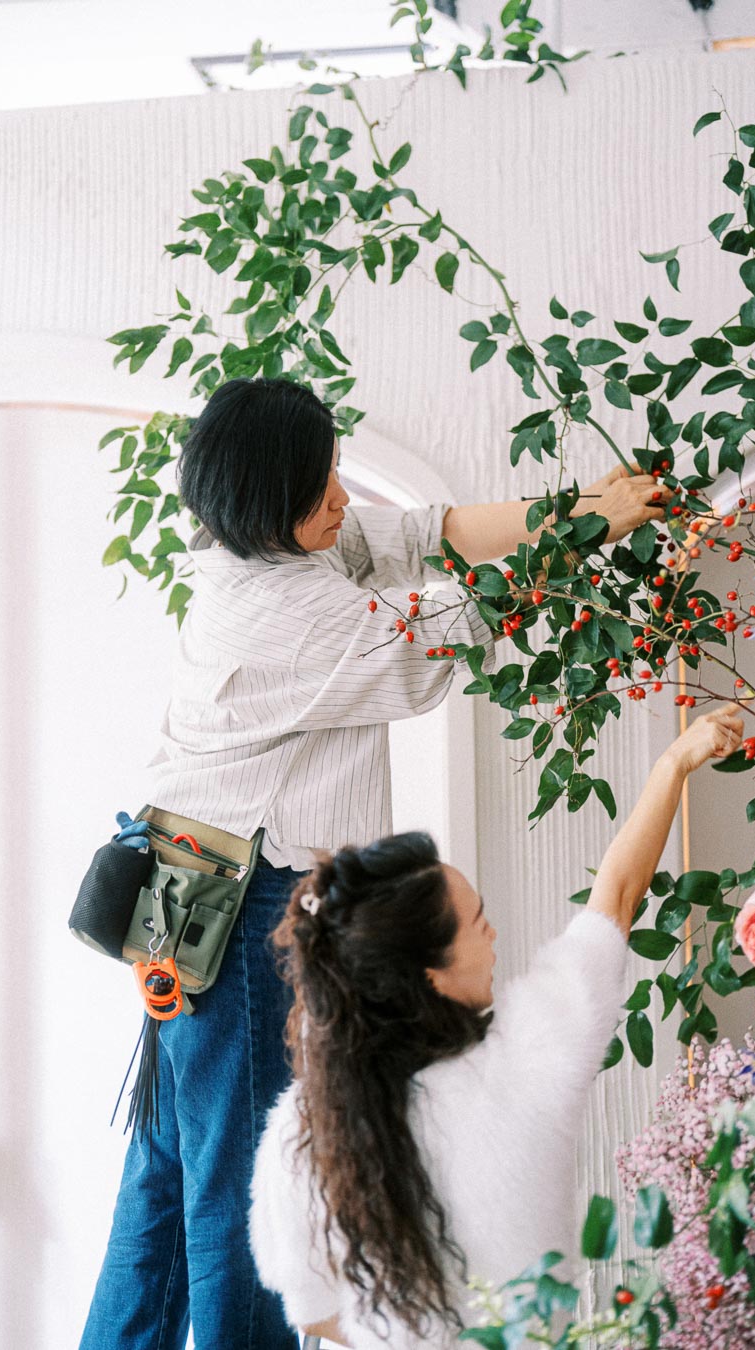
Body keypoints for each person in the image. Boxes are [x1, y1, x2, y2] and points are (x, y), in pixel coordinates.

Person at [79, 376, 668, 1350]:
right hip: (237, 908)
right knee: (239, 1193)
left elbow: (431, 533)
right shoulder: (285, 615)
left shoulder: (269, 549)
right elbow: (444, 619)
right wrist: (589, 537)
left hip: (184, 890)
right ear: (273, 504)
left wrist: (581, 509)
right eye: (322, 489)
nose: (343, 499)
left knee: (171, 1169)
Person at [249, 703, 746, 1350]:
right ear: (429, 972)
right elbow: (618, 897)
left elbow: (312, 1312)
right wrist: (675, 762)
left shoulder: (298, 1129)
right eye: (477, 921)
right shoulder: (528, 1059)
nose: (494, 933)